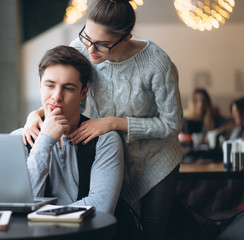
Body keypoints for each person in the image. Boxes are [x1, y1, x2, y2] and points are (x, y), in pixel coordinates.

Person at [21, 1, 183, 239]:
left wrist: (113, 123)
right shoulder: (81, 48)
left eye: (102, 45)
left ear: (126, 38)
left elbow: (172, 124)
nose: (91, 50)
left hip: (154, 161)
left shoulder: (157, 64)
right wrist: (35, 115)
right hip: (105, 154)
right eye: (87, 37)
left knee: (151, 233)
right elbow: (63, 88)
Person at [12, 45, 124, 215]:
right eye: (50, 85)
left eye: (68, 88)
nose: (57, 96)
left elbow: (102, 207)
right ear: (40, 86)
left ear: (83, 93)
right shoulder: (18, 138)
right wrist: (45, 142)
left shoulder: (105, 139)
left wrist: (44, 214)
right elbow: (22, 204)